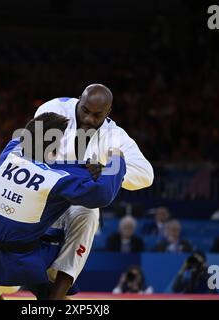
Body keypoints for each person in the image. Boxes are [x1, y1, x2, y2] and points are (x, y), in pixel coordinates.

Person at [0, 112, 126, 300]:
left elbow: (45, 157)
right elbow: (103, 195)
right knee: (88, 212)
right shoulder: (55, 180)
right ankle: (56, 292)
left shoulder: (10, 151)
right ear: (52, 152)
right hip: (23, 263)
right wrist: (116, 160)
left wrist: (81, 167)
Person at [34, 83, 154, 298]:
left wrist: (109, 170)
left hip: (75, 203)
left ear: (108, 112)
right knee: (7, 284)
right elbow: (31, 153)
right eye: (85, 111)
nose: (89, 119)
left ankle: (58, 292)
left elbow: (146, 174)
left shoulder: (115, 135)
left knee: (91, 211)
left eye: (97, 115)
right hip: (43, 194)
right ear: (79, 100)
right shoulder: (54, 110)